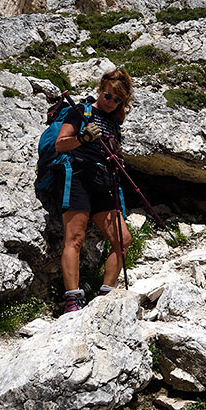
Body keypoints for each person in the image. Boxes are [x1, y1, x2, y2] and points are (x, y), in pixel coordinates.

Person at [54, 68, 133, 312]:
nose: (111, 102)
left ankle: (105, 295)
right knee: (75, 238)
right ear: (100, 89)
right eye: (108, 96)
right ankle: (72, 300)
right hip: (78, 176)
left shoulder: (114, 121)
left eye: (117, 100)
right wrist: (82, 139)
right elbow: (60, 144)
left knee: (123, 240)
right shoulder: (80, 112)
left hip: (103, 180)